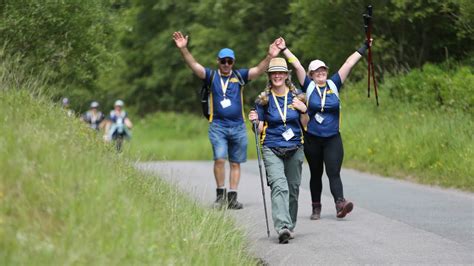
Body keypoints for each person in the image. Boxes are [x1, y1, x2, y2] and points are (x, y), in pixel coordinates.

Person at [172, 31, 280, 209]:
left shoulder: (239, 76)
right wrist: (184, 49)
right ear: (218, 62)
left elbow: (259, 70)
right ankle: (220, 195)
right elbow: (194, 66)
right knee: (220, 159)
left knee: (236, 162)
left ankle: (232, 197)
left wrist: (270, 55)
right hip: (218, 126)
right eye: (223, 61)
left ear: (233, 63)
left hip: (238, 126)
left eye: (229, 61)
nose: (226, 64)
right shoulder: (212, 76)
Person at [276, 37, 372, 219]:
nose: (320, 72)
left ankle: (340, 204)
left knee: (333, 172)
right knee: (316, 174)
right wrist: (285, 49)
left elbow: (349, 63)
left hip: (332, 138)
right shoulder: (309, 86)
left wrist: (365, 46)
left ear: (326, 72)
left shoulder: (334, 84)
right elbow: (296, 65)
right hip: (312, 138)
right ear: (311, 74)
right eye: (316, 71)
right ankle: (316, 207)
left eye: (323, 70)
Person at [248, 57, 308, 244]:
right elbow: (259, 129)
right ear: (270, 76)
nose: (278, 76)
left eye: (281, 72)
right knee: (279, 186)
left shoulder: (297, 96)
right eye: (274, 73)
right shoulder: (263, 99)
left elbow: (306, 125)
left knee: (293, 188)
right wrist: (255, 121)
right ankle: (282, 226)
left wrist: (304, 110)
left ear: (286, 75)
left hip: (295, 146)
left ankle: (289, 226)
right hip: (271, 146)